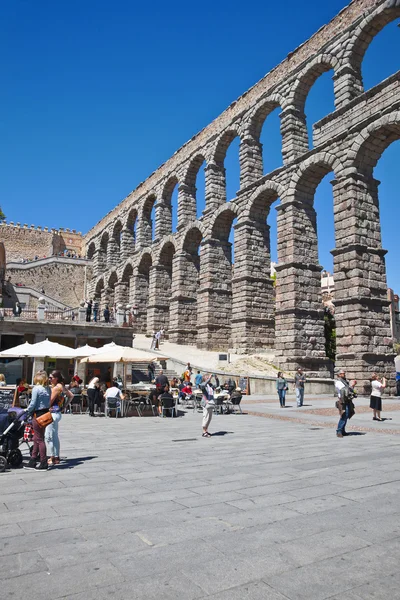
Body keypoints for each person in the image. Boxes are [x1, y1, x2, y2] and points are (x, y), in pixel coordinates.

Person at [24, 371, 51, 471]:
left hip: (37, 414)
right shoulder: (48, 388)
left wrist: (28, 410)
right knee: (37, 437)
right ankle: (33, 459)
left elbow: (33, 403)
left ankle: (43, 461)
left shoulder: (36, 389)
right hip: (46, 414)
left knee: (39, 439)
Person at [46, 370, 73, 467]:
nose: (49, 379)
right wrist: (64, 406)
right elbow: (71, 396)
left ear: (56, 378)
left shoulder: (56, 388)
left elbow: (49, 402)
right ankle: (56, 457)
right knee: (54, 435)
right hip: (57, 412)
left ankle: (53, 457)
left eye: (51, 377)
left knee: (48, 436)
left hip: (52, 413)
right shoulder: (62, 386)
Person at [335, 368, 356, 438]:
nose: (344, 374)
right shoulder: (338, 382)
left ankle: (343, 430)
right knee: (344, 415)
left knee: (347, 415)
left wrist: (352, 386)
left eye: (344, 373)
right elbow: (344, 390)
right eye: (342, 373)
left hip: (347, 400)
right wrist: (351, 385)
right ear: (339, 375)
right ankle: (339, 431)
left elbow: (349, 390)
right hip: (342, 401)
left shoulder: (345, 381)